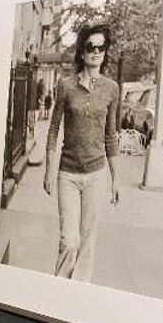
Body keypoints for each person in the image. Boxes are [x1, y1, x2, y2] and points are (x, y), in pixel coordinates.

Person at [43, 23, 120, 282]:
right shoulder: (66, 86)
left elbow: (111, 135)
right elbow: (53, 127)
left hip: (96, 175)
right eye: (90, 47)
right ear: (82, 52)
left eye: (101, 47)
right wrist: (48, 169)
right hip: (68, 174)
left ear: (105, 51)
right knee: (70, 239)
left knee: (88, 242)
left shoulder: (111, 88)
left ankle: (77, 298)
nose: (96, 52)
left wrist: (115, 178)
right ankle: (59, 290)